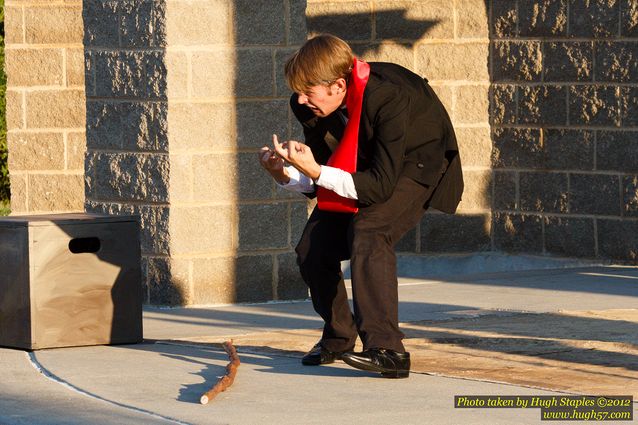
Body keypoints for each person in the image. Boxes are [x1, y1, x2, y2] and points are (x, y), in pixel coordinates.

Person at [258, 34, 463, 379]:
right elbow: (323, 175)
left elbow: (381, 184)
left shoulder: (389, 96)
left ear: (339, 85)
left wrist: (317, 170)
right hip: (365, 167)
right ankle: (339, 337)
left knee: (370, 230)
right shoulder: (308, 105)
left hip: (416, 164)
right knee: (312, 247)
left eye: (309, 91)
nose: (300, 99)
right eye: (297, 91)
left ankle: (388, 351)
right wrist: (283, 174)